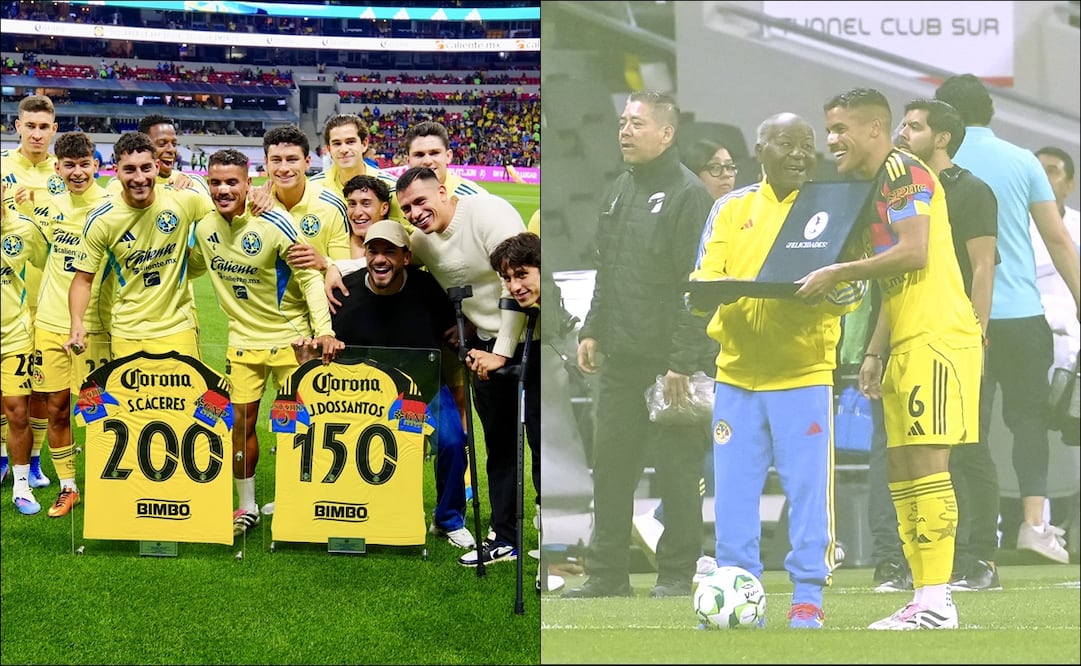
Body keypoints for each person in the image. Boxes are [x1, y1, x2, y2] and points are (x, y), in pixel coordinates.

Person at [799, 87, 983, 630]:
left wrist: (836, 271)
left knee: (928, 465)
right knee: (901, 470)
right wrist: (874, 350)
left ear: (875, 129)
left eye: (841, 129)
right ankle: (924, 596)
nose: (831, 140)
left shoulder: (906, 174)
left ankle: (939, 599)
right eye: (828, 129)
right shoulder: (873, 184)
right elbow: (897, 278)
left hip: (938, 336)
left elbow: (914, 250)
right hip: (905, 338)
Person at [690, 112, 863, 628]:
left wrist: (831, 288)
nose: (797, 153)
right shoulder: (729, 207)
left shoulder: (834, 209)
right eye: (784, 143)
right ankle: (738, 590)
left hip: (803, 375)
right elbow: (704, 279)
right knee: (734, 493)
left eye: (805, 145)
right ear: (759, 150)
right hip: (736, 375)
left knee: (810, 491)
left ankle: (808, 596)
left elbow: (853, 291)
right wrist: (705, 294)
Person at [563, 90, 715, 599]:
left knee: (677, 472)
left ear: (666, 133)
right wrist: (592, 328)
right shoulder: (618, 189)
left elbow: (697, 287)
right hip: (622, 361)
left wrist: (681, 363)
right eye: (623, 122)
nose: (624, 131)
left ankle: (675, 574)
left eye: (637, 123)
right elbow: (607, 269)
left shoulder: (689, 195)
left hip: (669, 366)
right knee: (611, 471)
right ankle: (607, 575)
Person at [935, 74, 1081, 564]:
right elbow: (1059, 239)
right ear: (991, 111)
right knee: (1029, 424)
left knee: (964, 430)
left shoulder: (935, 162)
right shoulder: (1023, 161)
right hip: (1020, 312)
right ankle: (1034, 525)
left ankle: (972, 532)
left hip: (957, 315)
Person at [187, 148, 342, 536]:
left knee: (299, 425)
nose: (223, 189)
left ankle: (300, 499)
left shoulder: (274, 220)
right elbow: (189, 264)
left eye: (232, 182)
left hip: (292, 340)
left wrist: (325, 330)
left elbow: (307, 276)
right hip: (243, 342)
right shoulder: (204, 228)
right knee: (240, 424)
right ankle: (247, 506)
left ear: (248, 182)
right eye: (216, 182)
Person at [327, 179, 475, 550]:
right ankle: (341, 507)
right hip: (362, 393)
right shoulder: (345, 292)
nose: (380, 259)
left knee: (454, 440)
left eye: (390, 252)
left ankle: (448, 519)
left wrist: (466, 330)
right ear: (364, 254)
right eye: (373, 251)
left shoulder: (428, 289)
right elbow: (334, 349)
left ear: (405, 256)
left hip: (423, 387)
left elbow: (458, 323)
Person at [393, 166, 530, 567]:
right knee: (500, 447)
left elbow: (515, 279)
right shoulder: (422, 240)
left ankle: (557, 539)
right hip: (486, 348)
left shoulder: (488, 212)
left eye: (421, 201)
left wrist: (503, 350)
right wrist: (332, 266)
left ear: (442, 190)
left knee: (541, 443)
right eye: (407, 208)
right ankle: (504, 537)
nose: (416, 212)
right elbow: (389, 260)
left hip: (534, 341)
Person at [894, 99, 1002, 591]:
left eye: (914, 126)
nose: (902, 132)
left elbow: (982, 266)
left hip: (956, 334)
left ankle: (980, 559)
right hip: (913, 331)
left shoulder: (972, 190)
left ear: (941, 138)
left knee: (969, 448)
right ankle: (923, 561)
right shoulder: (905, 187)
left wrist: (977, 333)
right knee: (914, 452)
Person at [64, 131, 213, 360]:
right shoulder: (102, 219)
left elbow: (227, 215)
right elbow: (83, 280)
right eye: (130, 169)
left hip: (178, 328)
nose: (140, 178)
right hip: (128, 331)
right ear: (116, 171)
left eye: (145, 168)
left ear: (156, 166)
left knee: (183, 397)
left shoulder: (184, 200)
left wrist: (255, 197)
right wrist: (76, 323)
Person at [31, 132, 113, 518]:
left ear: (96, 165)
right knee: (56, 409)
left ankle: (108, 484)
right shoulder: (47, 207)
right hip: (49, 322)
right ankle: (68, 486)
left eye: (85, 164)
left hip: (95, 326)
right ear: (58, 166)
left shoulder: (113, 205)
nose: (77, 172)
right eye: (69, 165)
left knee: (99, 411)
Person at [0, 94, 62, 491]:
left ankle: (34, 460)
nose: (37, 134)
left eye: (44, 127)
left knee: (41, 387)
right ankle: (6, 456)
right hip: (13, 297)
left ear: (54, 129)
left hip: (52, 298)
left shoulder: (67, 174)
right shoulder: (3, 168)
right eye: (30, 126)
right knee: (10, 390)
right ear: (17, 126)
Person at [488, 231, 543, 589]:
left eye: (522, 274)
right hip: (541, 367)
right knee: (543, 458)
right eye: (508, 278)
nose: (514, 286)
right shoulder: (530, 314)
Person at [0, 186, 49, 514]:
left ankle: (21, 485)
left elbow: (50, 263)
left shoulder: (24, 229)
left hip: (15, 336)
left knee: (18, 411)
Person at [262, 124, 351, 278]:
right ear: (266, 162)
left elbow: (345, 268)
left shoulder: (332, 206)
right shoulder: (255, 204)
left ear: (307, 162)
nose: (283, 168)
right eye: (276, 160)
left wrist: (324, 263)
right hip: (268, 301)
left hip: (316, 299)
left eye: (292, 160)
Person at [310, 114, 398, 207]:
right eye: (337, 143)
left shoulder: (392, 188)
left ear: (364, 144)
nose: (344, 150)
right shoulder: (313, 188)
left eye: (350, 142)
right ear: (329, 149)